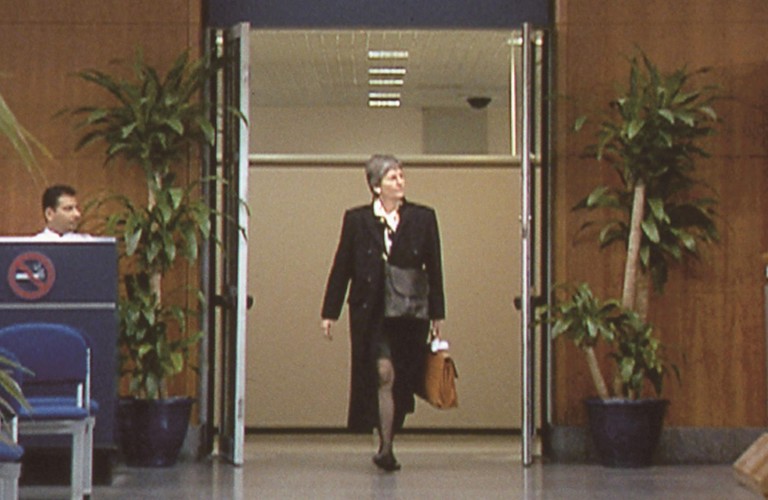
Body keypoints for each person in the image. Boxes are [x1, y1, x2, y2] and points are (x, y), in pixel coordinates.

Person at [321, 154, 445, 472]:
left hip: (408, 311)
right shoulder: (357, 220)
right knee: (383, 372)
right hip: (371, 310)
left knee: (400, 378)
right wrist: (330, 311)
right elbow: (343, 265)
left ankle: (389, 433)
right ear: (376, 186)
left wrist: (437, 314)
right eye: (392, 177)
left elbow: (434, 267)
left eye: (401, 176)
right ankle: (385, 447)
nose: (400, 182)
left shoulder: (422, 218)